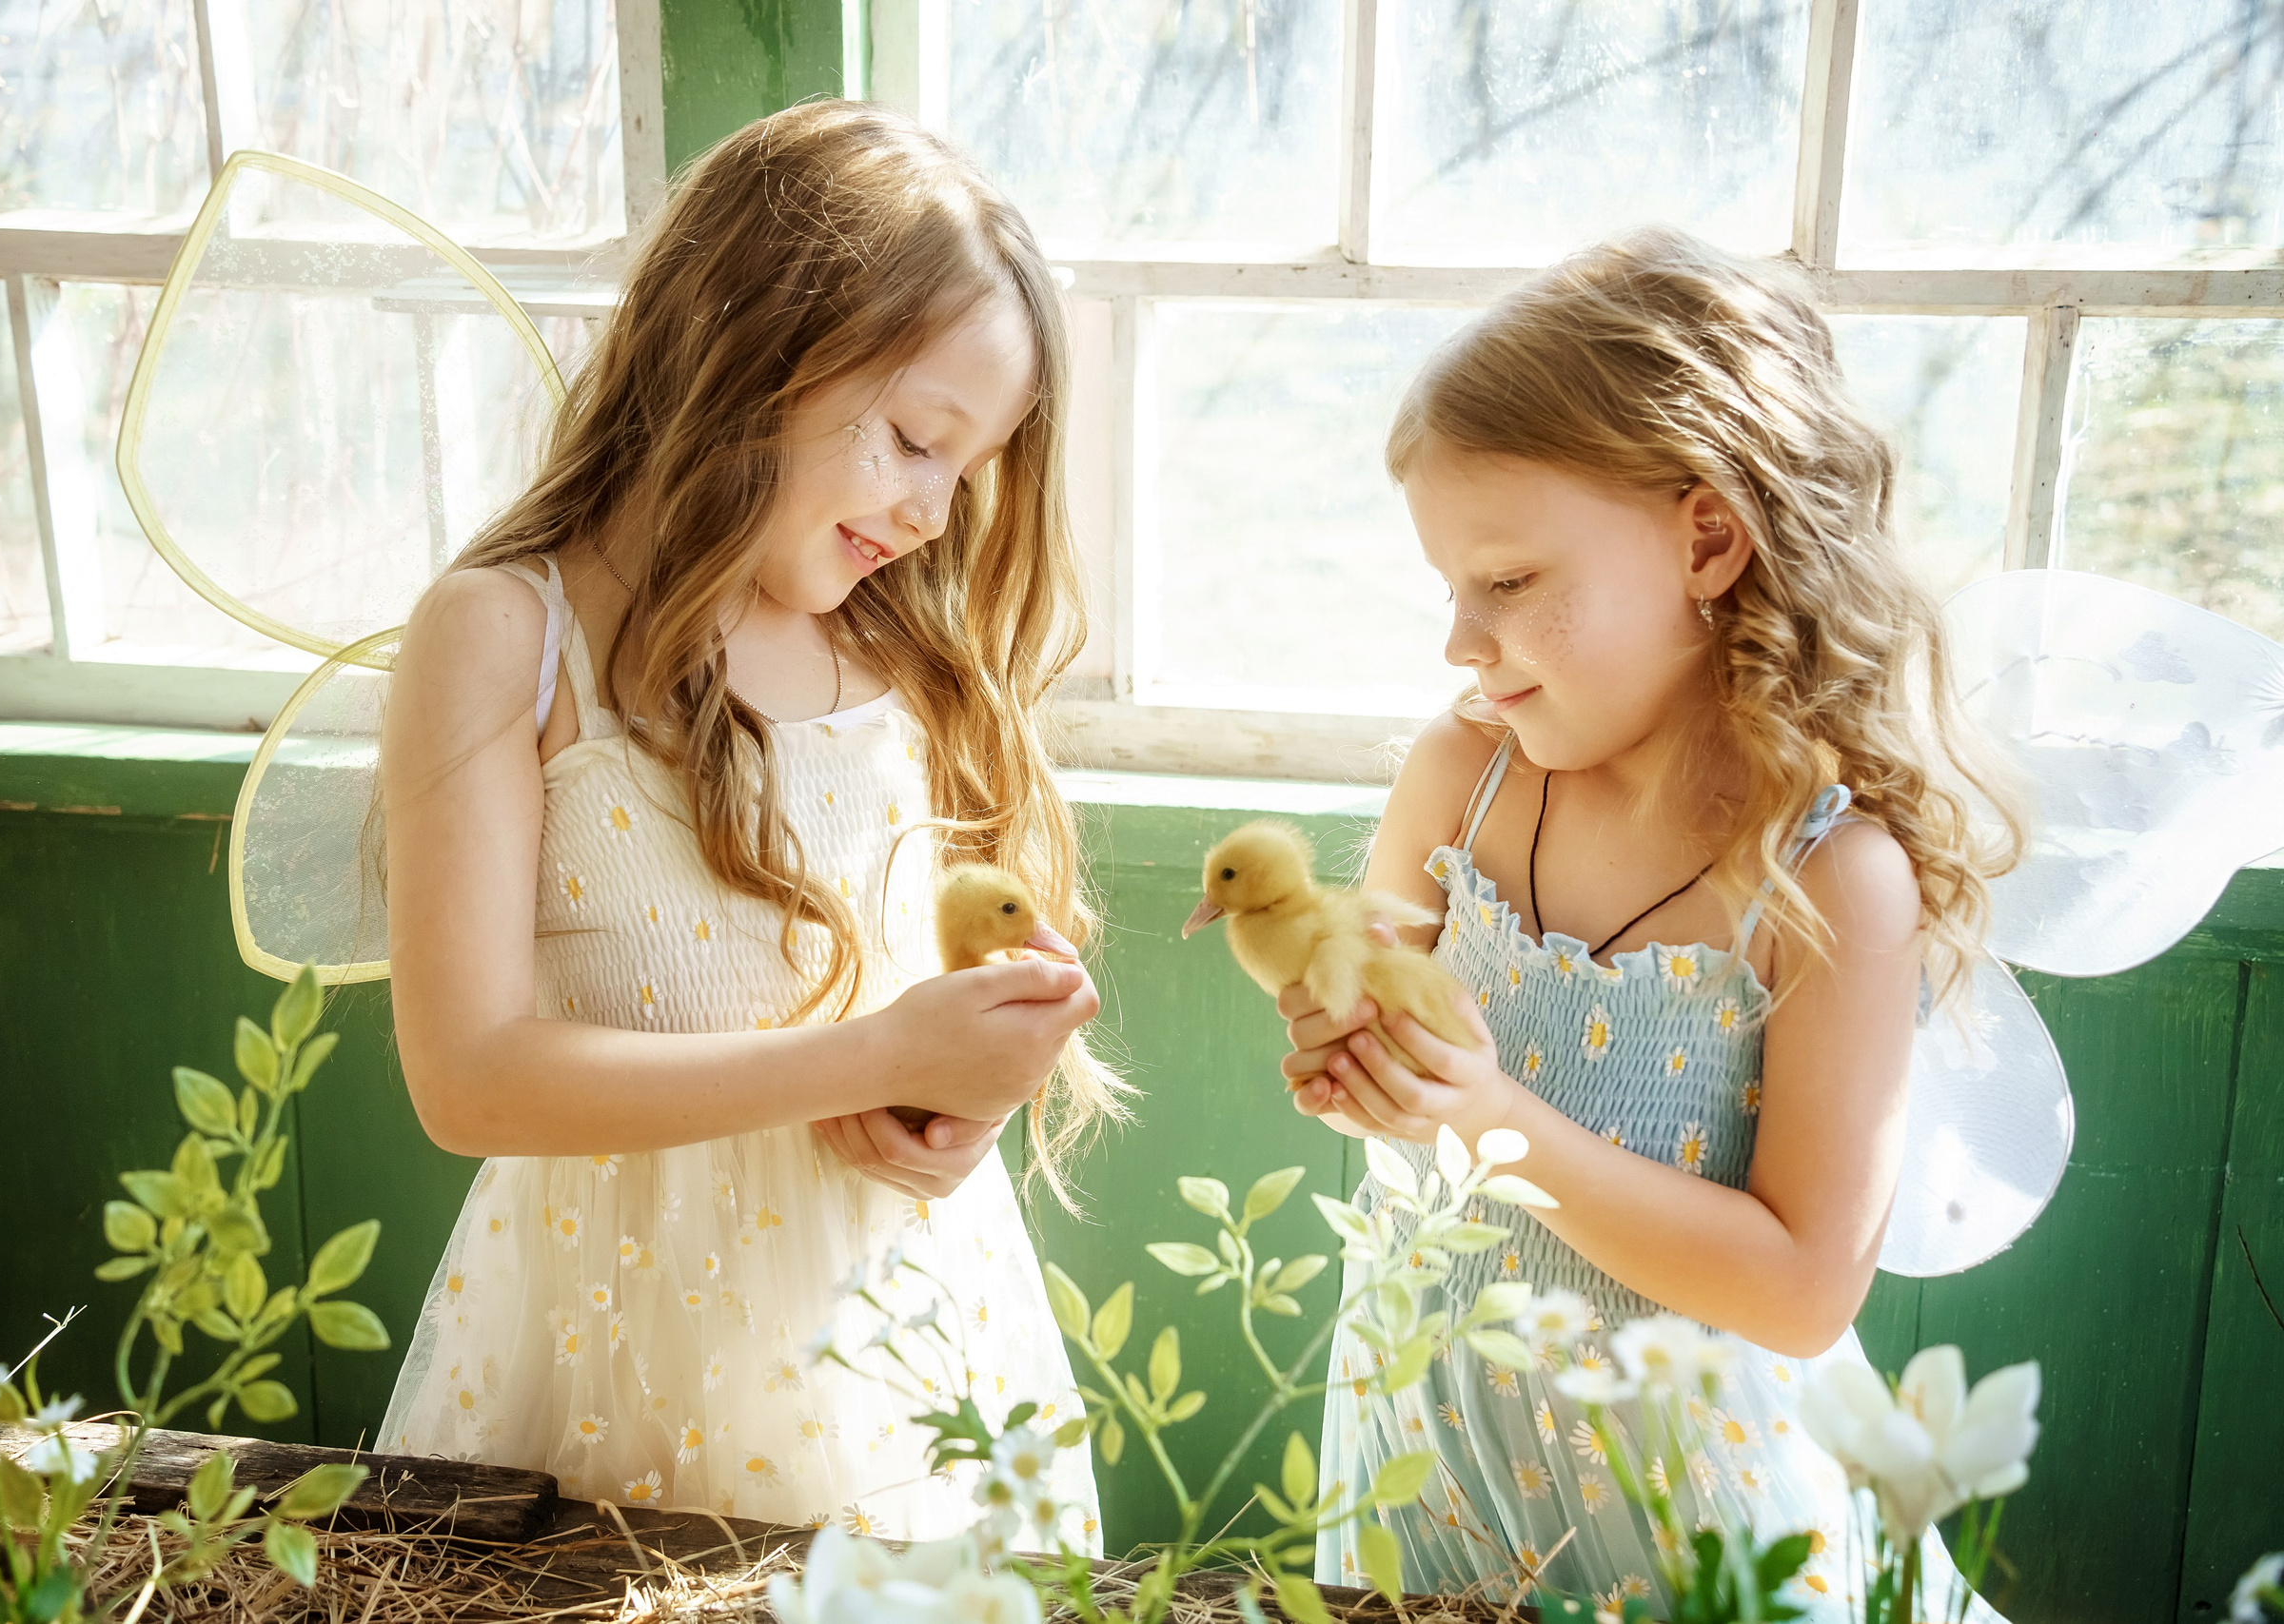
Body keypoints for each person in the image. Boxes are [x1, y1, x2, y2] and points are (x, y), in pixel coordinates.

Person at [372, 101, 1126, 1542]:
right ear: (751, 347)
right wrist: (871, 1053)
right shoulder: (509, 638)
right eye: (914, 439)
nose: (931, 511)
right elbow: (469, 1080)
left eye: (964, 471)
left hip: (896, 1335)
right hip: (615, 1331)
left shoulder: (895, 652)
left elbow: (898, 1007)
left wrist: (949, 1095)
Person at [1280, 228, 2018, 1614]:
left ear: (1706, 538)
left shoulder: (1829, 877)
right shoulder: (1463, 774)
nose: (1460, 639)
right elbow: (1394, 1095)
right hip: (1427, 1466)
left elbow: (1805, 1289)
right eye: (1450, 588)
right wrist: (1355, 1063)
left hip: (1696, 1519)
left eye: (1507, 584)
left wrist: (1486, 1114)